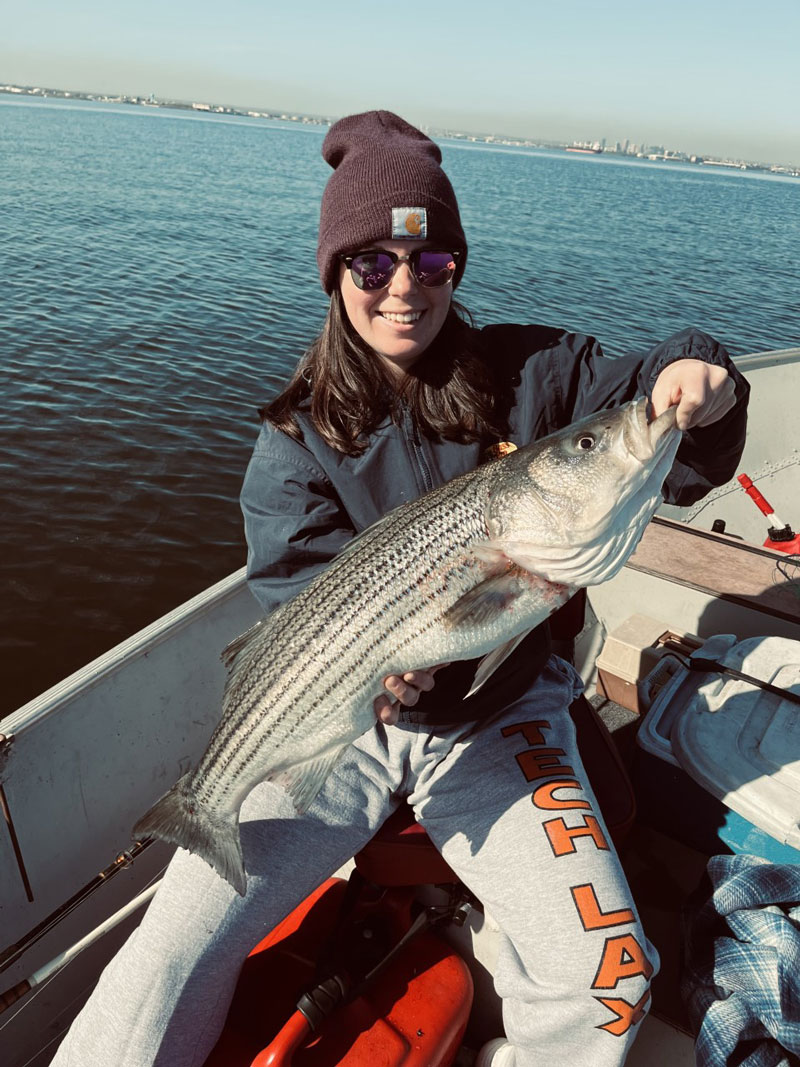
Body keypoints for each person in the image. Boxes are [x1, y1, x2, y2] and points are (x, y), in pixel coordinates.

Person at [51, 110, 747, 1067]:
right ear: (335, 274)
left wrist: (694, 373)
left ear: (456, 267)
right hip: (338, 724)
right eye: (370, 265)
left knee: (611, 979)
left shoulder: (535, 373)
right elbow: (298, 609)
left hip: (503, 715)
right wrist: (368, 683)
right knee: (163, 958)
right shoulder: (292, 441)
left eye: (431, 263)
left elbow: (645, 401)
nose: (403, 289)